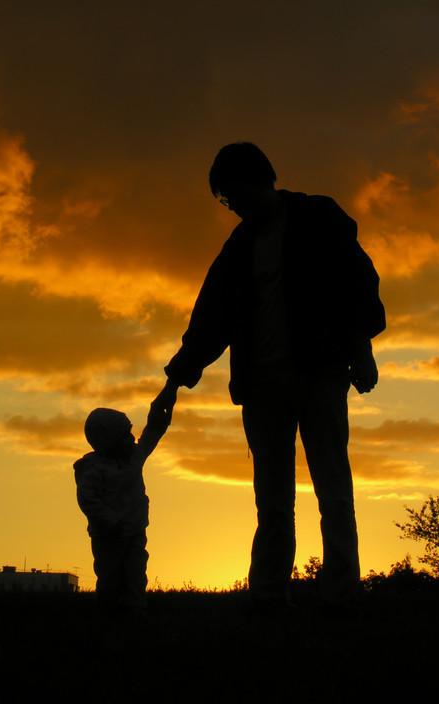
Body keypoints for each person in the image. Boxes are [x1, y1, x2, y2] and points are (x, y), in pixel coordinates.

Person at [154, 142, 385, 607]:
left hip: (320, 375)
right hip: (262, 387)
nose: (231, 206)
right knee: (273, 501)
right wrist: (176, 378)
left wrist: (361, 348)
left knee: (333, 490)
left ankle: (341, 594)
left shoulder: (319, 218)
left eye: (232, 194)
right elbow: (210, 319)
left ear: (259, 180)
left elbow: (357, 283)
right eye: (224, 200)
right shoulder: (238, 247)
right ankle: (267, 595)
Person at [73, 388, 175, 613]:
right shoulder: (92, 469)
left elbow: (150, 437)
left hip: (135, 531)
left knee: (136, 572)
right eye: (125, 435)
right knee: (110, 576)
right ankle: (109, 614)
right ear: (108, 441)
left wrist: (160, 417)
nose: (131, 438)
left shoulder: (133, 459)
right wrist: (111, 521)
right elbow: (88, 501)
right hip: (109, 536)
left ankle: (134, 610)